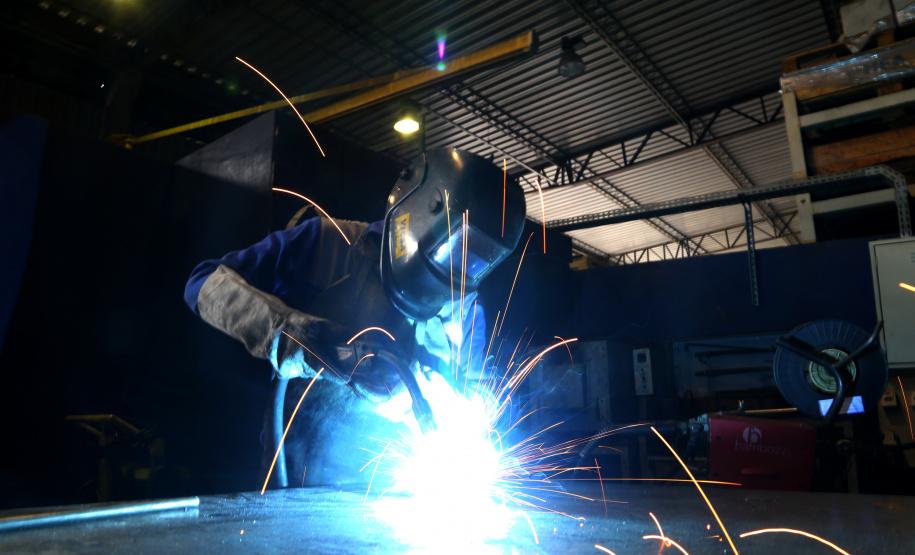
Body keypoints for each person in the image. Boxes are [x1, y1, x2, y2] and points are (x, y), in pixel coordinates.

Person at [183, 148, 526, 486]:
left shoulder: (464, 307)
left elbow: (478, 388)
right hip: (296, 469)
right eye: (454, 247)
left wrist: (468, 410)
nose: (458, 266)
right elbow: (203, 285)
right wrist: (299, 338)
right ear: (422, 212)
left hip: (391, 484)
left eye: (476, 260)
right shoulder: (328, 244)